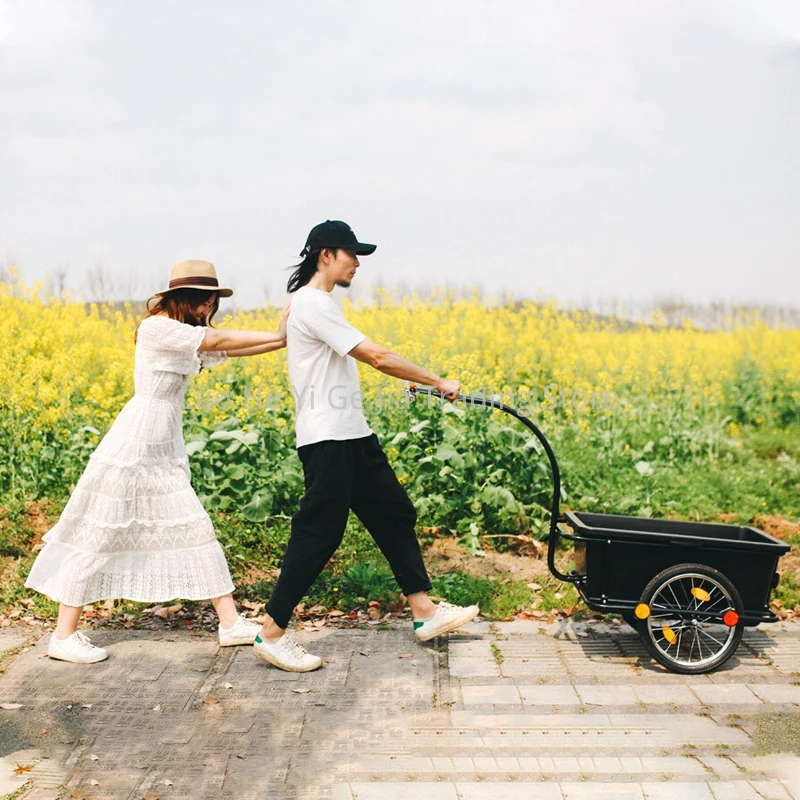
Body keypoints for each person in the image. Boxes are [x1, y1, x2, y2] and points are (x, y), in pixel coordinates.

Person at [25, 260, 289, 664]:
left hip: (161, 446)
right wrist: (275, 333)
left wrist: (281, 340)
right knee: (99, 532)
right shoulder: (159, 328)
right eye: (205, 302)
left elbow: (230, 347)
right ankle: (63, 635)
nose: (208, 310)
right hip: (135, 443)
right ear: (189, 299)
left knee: (197, 528)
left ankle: (231, 623)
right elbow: (217, 343)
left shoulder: (185, 334)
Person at [253, 221, 479, 673]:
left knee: (393, 511)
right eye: (351, 254)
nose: (357, 263)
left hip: (352, 433)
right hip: (328, 438)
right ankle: (272, 631)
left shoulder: (311, 303)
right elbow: (376, 356)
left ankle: (424, 611)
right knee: (319, 533)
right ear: (325, 255)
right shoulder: (314, 304)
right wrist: (437, 380)